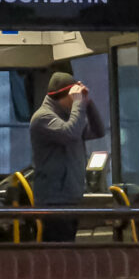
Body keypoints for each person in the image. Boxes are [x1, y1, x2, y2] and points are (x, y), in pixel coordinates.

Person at [28, 71, 106, 243]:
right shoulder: (43, 117)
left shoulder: (69, 118)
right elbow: (70, 133)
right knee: (59, 251)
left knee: (68, 249)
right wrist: (79, 105)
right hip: (54, 200)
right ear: (63, 97)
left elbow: (98, 131)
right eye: (74, 97)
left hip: (69, 196)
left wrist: (89, 103)